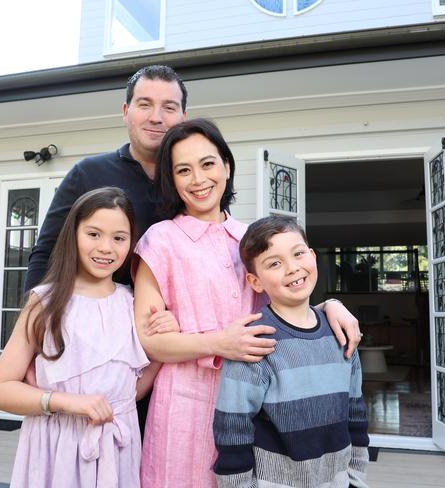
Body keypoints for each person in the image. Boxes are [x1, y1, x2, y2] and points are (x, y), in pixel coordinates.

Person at [133, 119, 362, 488]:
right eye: (183, 170)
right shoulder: (159, 242)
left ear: (226, 166)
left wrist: (327, 306)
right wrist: (217, 343)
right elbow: (149, 342)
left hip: (256, 406)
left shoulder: (249, 240)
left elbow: (285, 308)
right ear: (171, 180)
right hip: (184, 409)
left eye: (208, 164)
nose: (198, 179)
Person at [0, 187, 176, 487]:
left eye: (119, 238)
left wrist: (166, 333)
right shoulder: (46, 303)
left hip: (117, 448)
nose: (106, 248)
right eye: (94, 234)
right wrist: (66, 402)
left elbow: (129, 391)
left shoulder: (132, 304)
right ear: (73, 235)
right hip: (54, 449)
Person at [213, 215, 370, 488]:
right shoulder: (255, 341)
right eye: (274, 263)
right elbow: (232, 430)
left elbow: (355, 415)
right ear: (256, 281)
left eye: (298, 254)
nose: (292, 268)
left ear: (312, 255)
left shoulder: (342, 332)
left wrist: (356, 479)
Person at [24, 65, 188, 291]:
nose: (156, 118)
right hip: (98, 319)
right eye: (144, 104)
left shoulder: (196, 183)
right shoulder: (87, 173)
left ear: (183, 118)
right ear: (125, 111)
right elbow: (46, 253)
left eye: (169, 107)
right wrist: (33, 319)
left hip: (179, 324)